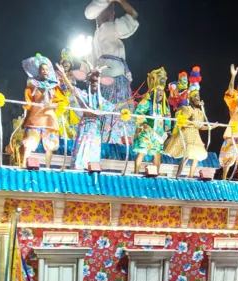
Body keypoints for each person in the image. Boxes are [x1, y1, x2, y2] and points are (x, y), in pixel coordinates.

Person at [84, 0, 139, 145]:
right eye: (111, 10)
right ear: (107, 12)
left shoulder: (95, 35)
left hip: (103, 75)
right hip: (115, 73)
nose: (113, 13)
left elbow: (90, 62)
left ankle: (104, 137)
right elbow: (133, 15)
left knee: (104, 104)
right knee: (119, 105)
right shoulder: (110, 27)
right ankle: (120, 139)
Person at [58, 66, 113, 171]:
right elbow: (73, 89)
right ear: (89, 83)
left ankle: (92, 167)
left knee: (94, 147)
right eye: (92, 82)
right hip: (85, 125)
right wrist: (64, 76)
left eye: (96, 82)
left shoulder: (101, 100)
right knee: (82, 145)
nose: (95, 84)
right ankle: (79, 166)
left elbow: (113, 107)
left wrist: (127, 104)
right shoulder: (84, 95)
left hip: (95, 126)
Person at [163, 68, 210, 177]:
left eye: (198, 96)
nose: (198, 98)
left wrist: (211, 127)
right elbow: (183, 122)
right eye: (195, 97)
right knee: (187, 155)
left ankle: (190, 176)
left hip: (195, 135)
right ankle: (177, 176)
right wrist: (191, 124)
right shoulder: (187, 109)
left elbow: (200, 126)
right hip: (188, 133)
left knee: (197, 156)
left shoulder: (199, 111)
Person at [20, 54, 65, 168]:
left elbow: (61, 101)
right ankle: (23, 164)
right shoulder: (32, 84)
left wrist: (52, 104)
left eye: (47, 69)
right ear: (38, 71)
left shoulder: (54, 86)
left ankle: (48, 167)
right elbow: (28, 102)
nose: (45, 71)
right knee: (29, 144)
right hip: (35, 118)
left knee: (50, 145)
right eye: (42, 69)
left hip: (49, 119)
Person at [132, 67, 170, 175]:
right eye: (158, 91)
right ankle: (135, 173)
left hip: (159, 133)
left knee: (157, 154)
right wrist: (143, 124)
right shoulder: (147, 102)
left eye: (162, 92)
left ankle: (155, 173)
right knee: (142, 152)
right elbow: (138, 113)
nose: (161, 94)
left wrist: (167, 129)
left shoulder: (163, 107)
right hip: (147, 132)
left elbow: (167, 118)